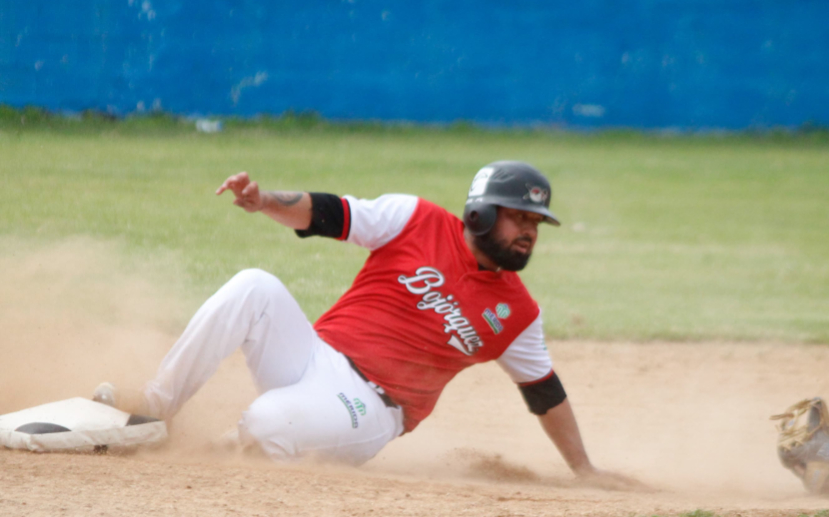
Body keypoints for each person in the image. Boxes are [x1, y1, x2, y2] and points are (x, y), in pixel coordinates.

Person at [96, 161, 637, 488]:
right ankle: (155, 409)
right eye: (520, 217)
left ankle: (232, 446)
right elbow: (329, 213)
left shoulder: (518, 315)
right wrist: (264, 202)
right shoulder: (416, 219)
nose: (530, 234)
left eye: (537, 224)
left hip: (372, 410)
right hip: (314, 357)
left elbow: (544, 391)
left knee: (267, 424)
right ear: (481, 214)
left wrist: (584, 469)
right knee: (254, 284)